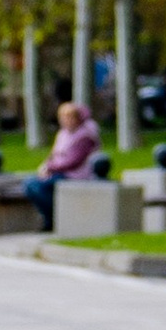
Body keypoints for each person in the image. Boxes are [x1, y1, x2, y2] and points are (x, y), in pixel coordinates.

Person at [22, 95, 102, 232]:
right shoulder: (63, 134)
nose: (65, 121)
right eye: (63, 117)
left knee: (35, 186)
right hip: (58, 172)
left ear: (77, 119)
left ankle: (53, 218)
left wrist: (50, 168)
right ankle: (51, 217)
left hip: (75, 174)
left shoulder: (85, 136)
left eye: (69, 117)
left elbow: (74, 161)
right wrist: (45, 166)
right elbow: (53, 155)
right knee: (30, 183)